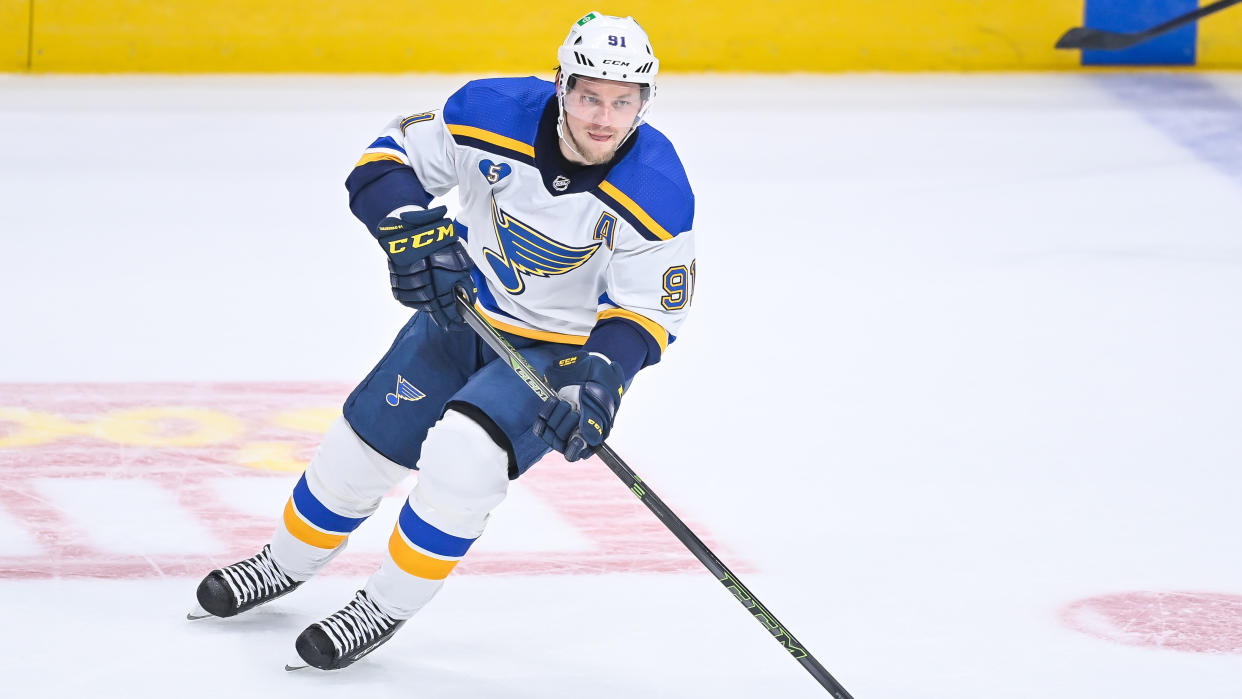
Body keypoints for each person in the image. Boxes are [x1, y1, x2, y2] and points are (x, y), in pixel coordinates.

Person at [190, 10, 695, 671]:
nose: (604, 117)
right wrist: (409, 230)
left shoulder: (658, 188)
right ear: (560, 84)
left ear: (644, 102)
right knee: (359, 451)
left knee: (464, 458)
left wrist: (599, 380)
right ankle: (283, 562)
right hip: (460, 313)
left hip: (555, 351)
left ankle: (383, 604)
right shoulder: (489, 111)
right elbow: (385, 160)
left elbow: (643, 310)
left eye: (623, 101)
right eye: (589, 96)